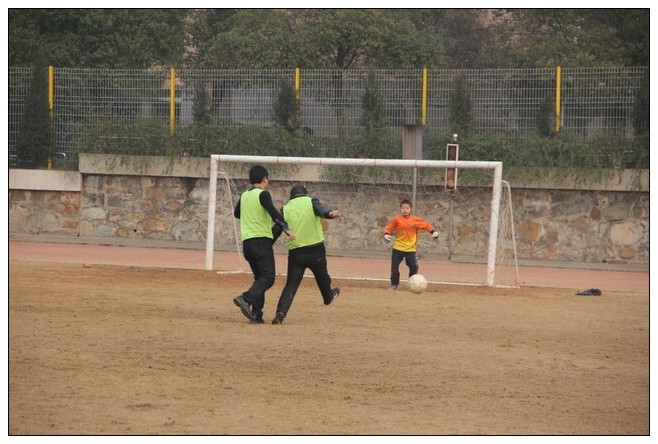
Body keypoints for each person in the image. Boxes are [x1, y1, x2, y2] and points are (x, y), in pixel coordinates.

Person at [232, 165, 295, 324]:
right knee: (268, 278)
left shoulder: (245, 195)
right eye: (267, 179)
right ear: (264, 179)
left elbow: (237, 213)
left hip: (247, 244)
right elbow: (274, 213)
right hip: (261, 242)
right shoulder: (263, 194)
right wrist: (286, 229)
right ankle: (245, 298)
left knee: (259, 278)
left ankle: (256, 315)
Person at [270, 184, 341, 325]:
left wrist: (265, 245)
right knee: (323, 277)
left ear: (291, 196)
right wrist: (330, 213)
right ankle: (328, 296)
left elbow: (276, 230)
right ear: (305, 194)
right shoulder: (310, 201)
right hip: (316, 250)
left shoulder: (285, 209)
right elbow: (322, 210)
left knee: (291, 284)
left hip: (296, 253)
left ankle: (281, 312)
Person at [383, 199, 439, 290]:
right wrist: (386, 234)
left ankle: (412, 283)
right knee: (394, 268)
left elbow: (425, 225)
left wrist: (433, 232)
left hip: (410, 249)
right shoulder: (397, 219)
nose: (405, 210)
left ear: (410, 209)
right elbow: (389, 227)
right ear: (400, 209)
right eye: (403, 208)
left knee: (413, 267)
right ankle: (394, 284)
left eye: (407, 208)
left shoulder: (415, 219)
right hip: (398, 248)